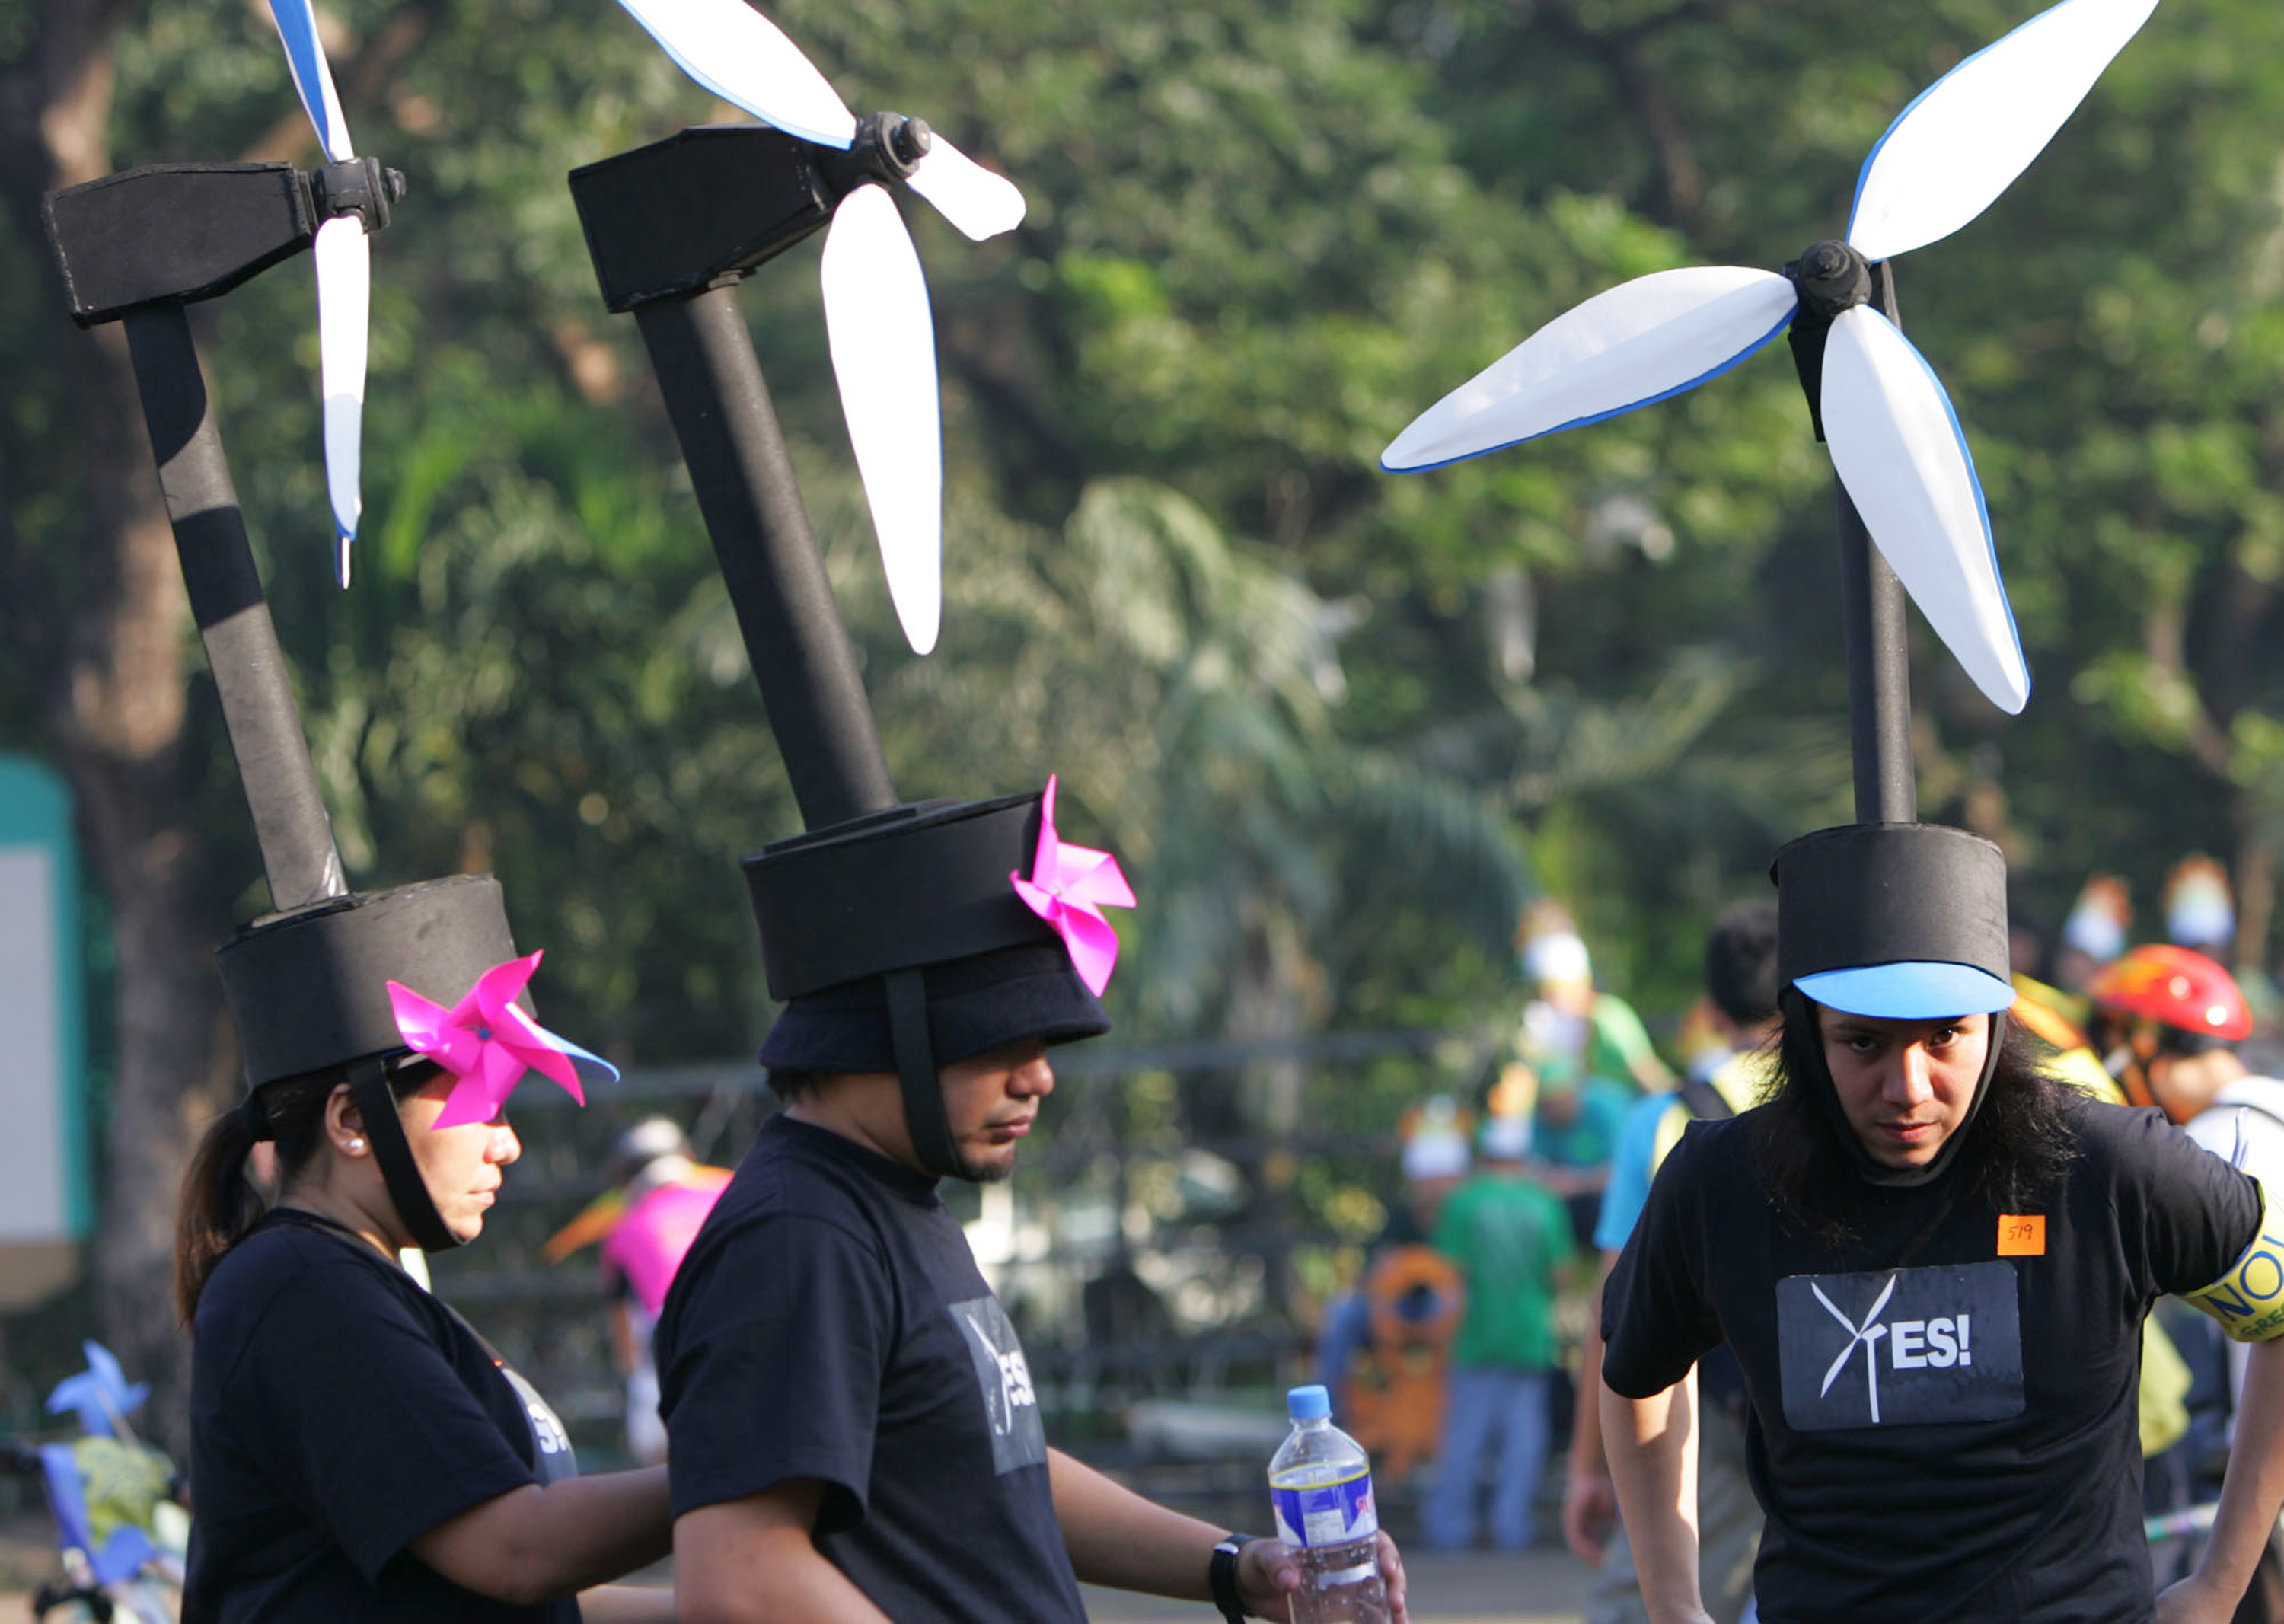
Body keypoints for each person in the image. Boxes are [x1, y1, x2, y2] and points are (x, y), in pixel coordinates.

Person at [656, 781, 1408, 1622]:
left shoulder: (894, 1201)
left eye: (1043, 1041)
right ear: (873, 1033)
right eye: (998, 1039)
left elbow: (996, 1467)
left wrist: (1234, 1567)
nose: (1039, 1074)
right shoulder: (801, 1240)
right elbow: (740, 1579)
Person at [1600, 822, 2284, 1622]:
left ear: (1995, 1026)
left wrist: (2219, 1585)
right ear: (1807, 1038)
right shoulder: (1722, 1183)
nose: (1909, 1086)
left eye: (1945, 1038)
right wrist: (1673, 1603)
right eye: (1863, 1043)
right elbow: (1637, 1363)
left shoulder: (2107, 1166)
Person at [175, 878, 676, 1622]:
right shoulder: (302, 1289)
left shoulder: (362, 1285)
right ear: (352, 1122)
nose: (508, 1145)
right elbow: (518, 1553)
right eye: (485, 1104)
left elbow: (528, 1591)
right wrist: (764, 1453)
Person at [1568, 901, 1778, 1624]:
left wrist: (1589, 1467)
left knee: (1647, 1605)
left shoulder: (1663, 1120)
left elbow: (1615, 1315)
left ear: (1711, 1010)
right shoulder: (1842, 1100)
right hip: (1838, 1405)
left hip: (1714, 1420)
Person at [1421, 1113, 1576, 1552]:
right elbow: (1561, 1273)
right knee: (1523, 1443)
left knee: (1464, 1439)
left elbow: (1446, 1276)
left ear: (1484, 1153)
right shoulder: (1544, 1203)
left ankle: (1450, 1531)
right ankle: (1513, 1529)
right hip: (1529, 1339)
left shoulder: (1462, 1202)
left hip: (1473, 1339)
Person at [544, 1116, 732, 1465]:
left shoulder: (624, 1229)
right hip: (759, 1341)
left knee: (660, 1465)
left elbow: (627, 1339)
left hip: (673, 1357)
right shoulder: (731, 1193)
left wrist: (636, 1383)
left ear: (624, 1176)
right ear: (686, 1154)